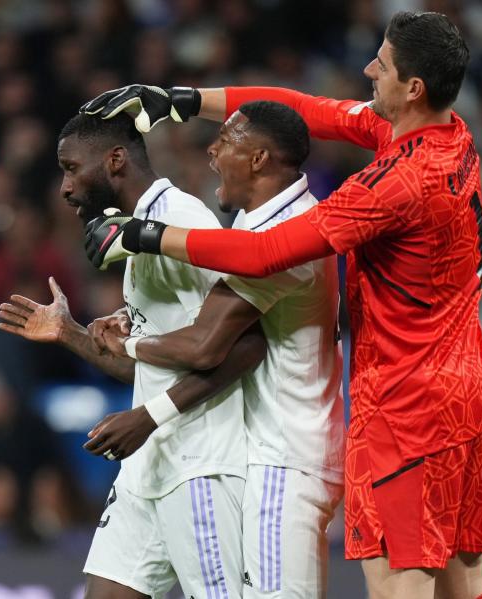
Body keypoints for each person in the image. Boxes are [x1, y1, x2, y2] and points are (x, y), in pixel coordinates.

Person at [81, 11, 482, 599]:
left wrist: (143, 235)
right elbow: (309, 110)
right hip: (469, 393)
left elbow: (265, 251)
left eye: (380, 66)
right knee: (465, 581)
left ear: (413, 88)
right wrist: (183, 99)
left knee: (396, 584)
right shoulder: (445, 133)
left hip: (409, 409)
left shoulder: (398, 183)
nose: (366, 71)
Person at [0, 112, 267, 599]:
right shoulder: (136, 237)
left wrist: (149, 416)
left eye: (72, 168)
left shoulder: (182, 221)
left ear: (115, 161)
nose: (64, 186)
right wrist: (70, 333)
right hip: (148, 466)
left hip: (198, 463)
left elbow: (248, 344)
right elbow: (146, 361)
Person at [85, 100, 345, 598]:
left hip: (282, 456)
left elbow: (207, 345)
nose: (211, 151)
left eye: (225, 142)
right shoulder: (267, 221)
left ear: (259, 159)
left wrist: (130, 341)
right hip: (282, 447)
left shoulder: (282, 234)